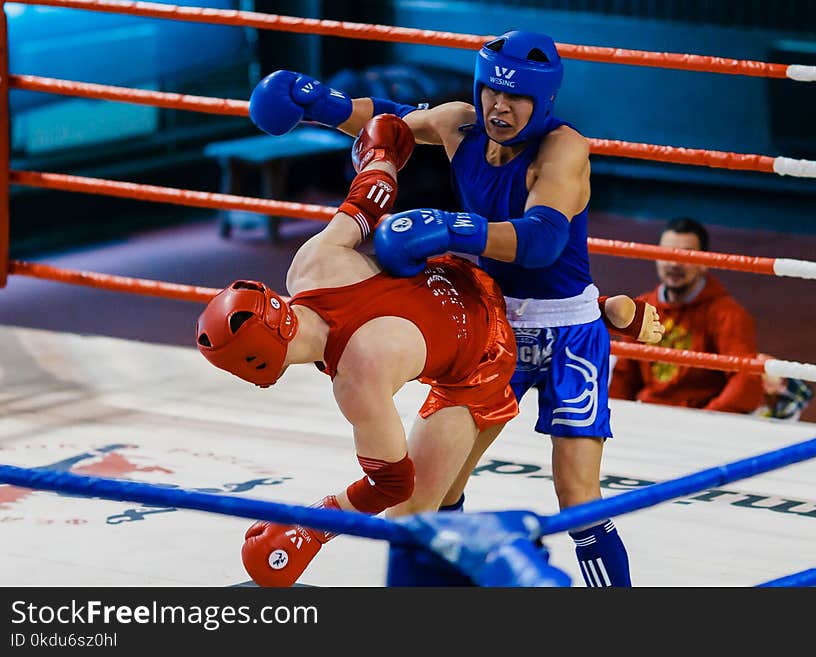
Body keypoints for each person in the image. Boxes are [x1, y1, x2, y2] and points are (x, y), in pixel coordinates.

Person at [247, 29, 665, 587]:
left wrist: (451, 227)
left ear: (544, 102)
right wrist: (322, 105)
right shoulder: (459, 123)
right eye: (492, 90)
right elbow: (392, 121)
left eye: (516, 97)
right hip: (488, 328)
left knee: (577, 497)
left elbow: (542, 240)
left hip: (567, 330)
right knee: (429, 494)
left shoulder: (564, 149)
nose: (500, 106)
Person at [196, 114, 522, 587]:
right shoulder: (309, 265)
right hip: (463, 274)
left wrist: (312, 524)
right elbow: (368, 197)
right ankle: (457, 553)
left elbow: (391, 484)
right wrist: (383, 150)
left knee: (408, 519)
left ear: (258, 367)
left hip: (482, 360)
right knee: (444, 490)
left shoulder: (358, 380)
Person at [609, 217, 766, 413]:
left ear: (704, 261)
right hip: (647, 415)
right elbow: (623, 377)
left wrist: (705, 421)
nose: (674, 263)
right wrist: (615, 418)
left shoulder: (728, 314)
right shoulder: (643, 307)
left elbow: (746, 382)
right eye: (666, 253)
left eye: (686, 254)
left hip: (698, 421)